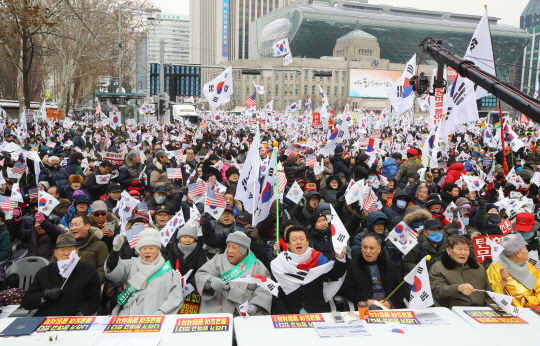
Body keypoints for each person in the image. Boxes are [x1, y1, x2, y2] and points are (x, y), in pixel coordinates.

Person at [105, 229, 184, 315]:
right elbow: (113, 268)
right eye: (144, 248)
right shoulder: (131, 264)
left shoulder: (168, 272)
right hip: (129, 319)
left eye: (151, 248)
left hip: (155, 320)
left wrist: (162, 312)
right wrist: (115, 251)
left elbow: (175, 296)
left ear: (158, 250)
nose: (147, 251)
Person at [21, 233, 101, 316]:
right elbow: (26, 302)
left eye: (70, 249)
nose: (66, 253)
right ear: (55, 253)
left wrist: (81, 313)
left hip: (74, 319)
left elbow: (94, 301)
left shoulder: (89, 272)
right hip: (47, 319)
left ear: (77, 251)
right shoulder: (44, 272)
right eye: (62, 249)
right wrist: (44, 295)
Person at [271, 226, 347, 313]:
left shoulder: (318, 259)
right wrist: (285, 317)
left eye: (302, 239)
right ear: (288, 244)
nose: (298, 242)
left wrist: (340, 258)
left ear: (307, 242)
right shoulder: (279, 263)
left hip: (317, 310)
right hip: (290, 312)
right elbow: (276, 295)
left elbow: (335, 274)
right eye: (294, 239)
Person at [195, 232, 272, 315]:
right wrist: (210, 281)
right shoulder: (217, 260)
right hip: (219, 312)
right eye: (228, 246)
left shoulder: (257, 266)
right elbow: (201, 275)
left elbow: (265, 287)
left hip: (246, 314)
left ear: (244, 250)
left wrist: (255, 305)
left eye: (234, 247)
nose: (229, 250)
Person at [429, 234, 494, 309]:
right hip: (454, 312)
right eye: (459, 249)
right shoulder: (438, 268)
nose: (463, 253)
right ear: (449, 250)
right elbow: (438, 292)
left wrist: (488, 310)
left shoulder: (479, 268)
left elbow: (489, 294)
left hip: (480, 312)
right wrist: (458, 288)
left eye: (466, 249)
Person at [343, 232, 405, 309]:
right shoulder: (353, 265)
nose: (367, 251)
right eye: (365, 247)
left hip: (387, 308)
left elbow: (400, 289)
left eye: (371, 248)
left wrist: (390, 302)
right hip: (366, 307)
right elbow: (348, 290)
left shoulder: (390, 266)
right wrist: (366, 301)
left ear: (379, 249)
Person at [487, 234, 540, 307]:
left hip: (532, 309)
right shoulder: (496, 268)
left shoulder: (529, 266)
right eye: (525, 249)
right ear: (518, 253)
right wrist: (503, 281)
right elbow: (493, 295)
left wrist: (526, 301)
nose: (527, 251)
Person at [51, 215, 109, 283]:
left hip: (88, 285)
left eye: (76, 225)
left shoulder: (99, 245)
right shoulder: (63, 246)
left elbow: (103, 269)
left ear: (87, 226)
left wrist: (89, 282)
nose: (73, 228)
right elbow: (51, 267)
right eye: (71, 225)